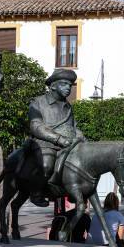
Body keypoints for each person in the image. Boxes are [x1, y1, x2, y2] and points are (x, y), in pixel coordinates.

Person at [27, 69, 84, 207]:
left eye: (70, 85)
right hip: (44, 142)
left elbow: (73, 126)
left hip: (68, 144)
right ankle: (36, 193)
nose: (68, 88)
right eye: (64, 84)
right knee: (46, 164)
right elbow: (36, 126)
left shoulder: (68, 106)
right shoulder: (38, 102)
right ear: (53, 86)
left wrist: (81, 136)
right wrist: (58, 139)